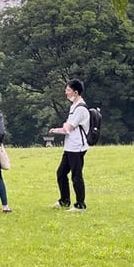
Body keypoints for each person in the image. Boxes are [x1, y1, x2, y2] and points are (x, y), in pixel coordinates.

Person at [48, 78, 90, 212]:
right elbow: (67, 126)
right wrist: (59, 128)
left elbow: (68, 127)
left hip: (77, 147)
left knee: (76, 176)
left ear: (76, 92)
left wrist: (58, 129)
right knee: (61, 173)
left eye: (68, 90)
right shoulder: (74, 106)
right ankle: (64, 200)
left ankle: (80, 205)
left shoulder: (80, 109)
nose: (66, 92)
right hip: (70, 146)